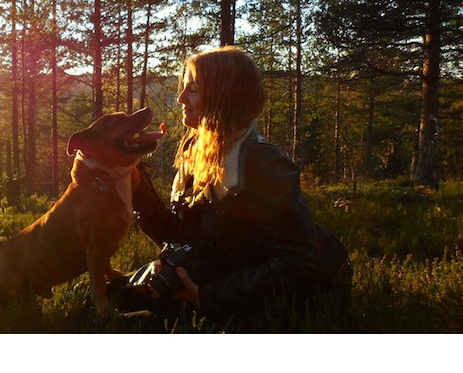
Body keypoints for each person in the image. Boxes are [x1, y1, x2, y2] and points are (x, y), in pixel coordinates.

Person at [119, 45, 333, 330]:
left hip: (241, 308)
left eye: (192, 89)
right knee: (102, 298)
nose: (181, 97)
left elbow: (298, 263)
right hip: (209, 290)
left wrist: (205, 296)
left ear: (223, 95)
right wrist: (137, 189)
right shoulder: (197, 151)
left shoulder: (264, 164)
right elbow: (183, 231)